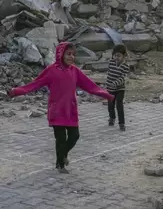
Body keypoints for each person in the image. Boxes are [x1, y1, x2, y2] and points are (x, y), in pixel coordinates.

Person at [8, 42, 114, 173]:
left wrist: (105, 94)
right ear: (60, 54)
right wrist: (16, 91)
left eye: (73, 55)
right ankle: (60, 164)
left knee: (74, 136)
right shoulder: (51, 70)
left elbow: (89, 85)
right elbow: (35, 84)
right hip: (57, 110)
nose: (71, 57)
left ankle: (63, 155)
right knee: (61, 139)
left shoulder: (74, 71)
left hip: (70, 110)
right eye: (68, 54)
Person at [105, 44, 130, 131]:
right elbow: (109, 74)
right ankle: (112, 118)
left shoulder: (125, 66)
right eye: (115, 55)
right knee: (110, 105)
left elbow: (123, 78)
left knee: (119, 105)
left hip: (120, 89)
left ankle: (122, 123)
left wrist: (115, 83)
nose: (116, 57)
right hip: (110, 89)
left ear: (124, 56)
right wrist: (107, 85)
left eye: (119, 56)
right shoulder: (111, 62)